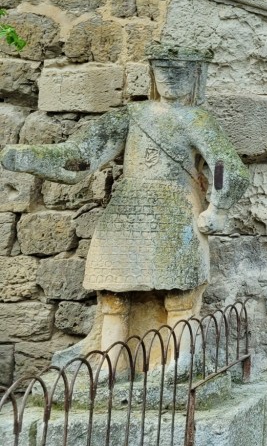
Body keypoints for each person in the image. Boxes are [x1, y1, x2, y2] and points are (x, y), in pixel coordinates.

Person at [0, 44, 250, 360]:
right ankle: (109, 363)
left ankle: (178, 361)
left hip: (174, 206)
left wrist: (219, 207)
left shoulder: (197, 120)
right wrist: (31, 157)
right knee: (113, 289)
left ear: (195, 76)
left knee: (178, 290)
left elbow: (225, 166)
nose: (171, 79)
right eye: (164, 72)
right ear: (153, 75)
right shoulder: (133, 116)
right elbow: (79, 157)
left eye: (180, 73)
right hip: (129, 208)